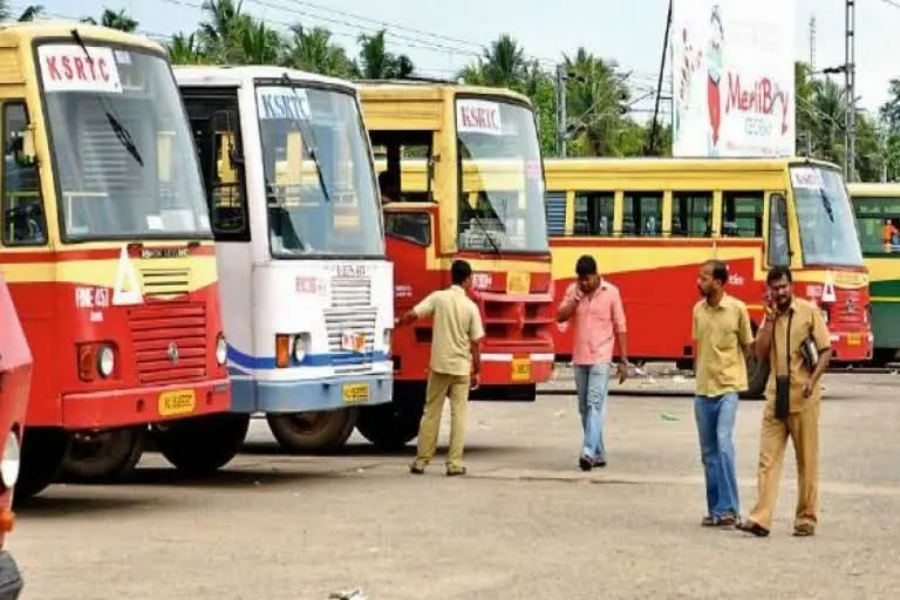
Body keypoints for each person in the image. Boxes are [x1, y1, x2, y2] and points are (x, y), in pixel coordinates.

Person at [737, 266, 832, 538]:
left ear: (792, 287)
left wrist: (813, 381)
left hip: (803, 397)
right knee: (768, 460)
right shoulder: (771, 316)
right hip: (775, 396)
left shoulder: (808, 312)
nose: (780, 292)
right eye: (775, 288)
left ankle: (805, 518)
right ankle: (761, 519)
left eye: (783, 287)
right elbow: (760, 353)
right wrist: (767, 321)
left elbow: (825, 351)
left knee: (807, 461)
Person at [394, 259, 484, 476]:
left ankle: (421, 460)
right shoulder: (470, 307)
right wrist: (477, 370)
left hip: (439, 366)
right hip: (461, 369)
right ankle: (454, 463)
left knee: (431, 412)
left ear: (451, 277)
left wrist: (397, 322)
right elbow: (476, 343)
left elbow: (414, 314)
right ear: (468, 280)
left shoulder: (439, 298)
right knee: (458, 415)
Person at [692, 260, 754, 527]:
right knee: (708, 453)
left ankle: (730, 508)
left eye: (704, 277)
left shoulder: (737, 309)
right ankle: (716, 509)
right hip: (703, 390)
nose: (699, 281)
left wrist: (740, 375)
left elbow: (748, 348)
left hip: (728, 387)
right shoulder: (698, 310)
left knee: (724, 443)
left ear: (718, 282)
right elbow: (699, 348)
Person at [556, 255, 628, 471]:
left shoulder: (611, 292)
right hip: (580, 358)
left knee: (595, 403)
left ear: (597, 275)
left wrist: (623, 360)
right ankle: (599, 452)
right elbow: (560, 316)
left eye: (587, 279)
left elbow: (620, 326)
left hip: (601, 358)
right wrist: (575, 299)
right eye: (580, 280)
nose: (584, 283)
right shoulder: (573, 291)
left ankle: (587, 451)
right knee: (584, 408)